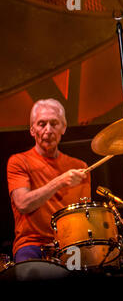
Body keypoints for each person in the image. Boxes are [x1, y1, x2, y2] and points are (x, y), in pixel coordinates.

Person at [7, 99, 90, 262]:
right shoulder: (18, 161)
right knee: (30, 273)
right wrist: (60, 181)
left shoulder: (79, 166)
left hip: (70, 247)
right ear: (32, 130)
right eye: (41, 124)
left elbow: (83, 217)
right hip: (32, 244)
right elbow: (23, 204)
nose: (48, 130)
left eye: (54, 123)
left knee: (118, 268)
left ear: (64, 128)